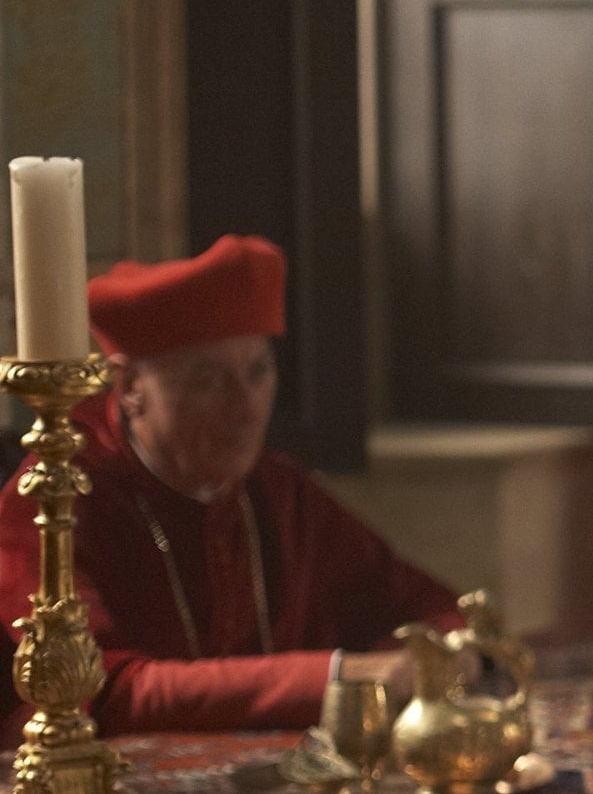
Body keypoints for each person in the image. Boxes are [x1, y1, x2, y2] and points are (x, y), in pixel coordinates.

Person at [0, 236, 461, 731]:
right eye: (210, 379)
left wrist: (441, 654)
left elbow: (428, 607)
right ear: (131, 387)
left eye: (258, 371)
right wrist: (339, 678)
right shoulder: (53, 500)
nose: (247, 408)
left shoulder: (277, 488)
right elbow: (98, 692)